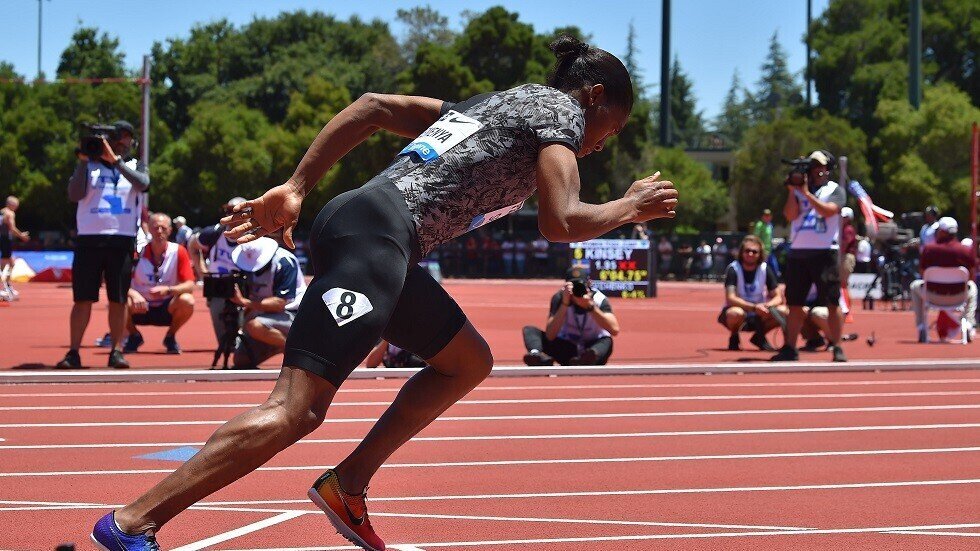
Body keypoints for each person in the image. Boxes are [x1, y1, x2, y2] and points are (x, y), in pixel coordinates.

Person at [91, 35, 679, 551]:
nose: (602, 144)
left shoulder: (496, 106)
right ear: (595, 96)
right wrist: (630, 207)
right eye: (613, 130)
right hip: (377, 238)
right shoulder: (562, 115)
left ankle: (348, 482)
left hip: (374, 235)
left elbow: (373, 107)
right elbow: (562, 221)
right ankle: (133, 520)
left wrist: (299, 186)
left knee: (467, 361)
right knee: (295, 410)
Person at [57, 120, 149, 369]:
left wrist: (116, 161)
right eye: (122, 139)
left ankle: (117, 350)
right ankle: (73, 351)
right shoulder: (89, 165)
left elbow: (143, 184)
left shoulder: (133, 165)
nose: (125, 144)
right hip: (89, 238)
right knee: (82, 298)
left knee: (118, 299)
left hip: (121, 239)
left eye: (128, 139)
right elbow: (74, 194)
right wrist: (83, 160)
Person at [771, 150, 847, 363]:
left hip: (824, 251)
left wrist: (805, 193)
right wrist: (792, 191)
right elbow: (790, 215)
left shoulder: (835, 190)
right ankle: (790, 347)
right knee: (794, 303)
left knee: (832, 302)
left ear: (827, 169)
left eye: (818, 166)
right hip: (798, 252)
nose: (814, 170)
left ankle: (838, 346)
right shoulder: (798, 190)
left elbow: (828, 211)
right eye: (811, 167)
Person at [226, 236, 307, 368]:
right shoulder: (245, 266)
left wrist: (245, 302)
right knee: (241, 360)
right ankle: (277, 344)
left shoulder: (284, 261)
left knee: (255, 325)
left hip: (292, 315)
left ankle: (300, 353)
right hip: (264, 316)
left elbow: (280, 303)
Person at [124, 213, 196, 354]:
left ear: (170, 230)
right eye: (155, 228)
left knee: (188, 300)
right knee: (119, 302)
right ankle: (134, 335)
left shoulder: (178, 251)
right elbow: (120, 282)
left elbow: (189, 285)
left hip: (166, 306)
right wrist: (134, 294)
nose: (159, 231)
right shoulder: (137, 252)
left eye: (163, 228)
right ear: (149, 230)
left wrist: (169, 290)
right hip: (140, 305)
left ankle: (170, 336)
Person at [522, 267, 619, 366]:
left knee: (607, 341)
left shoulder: (599, 299)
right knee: (530, 330)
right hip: (567, 347)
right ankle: (537, 356)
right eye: (574, 286)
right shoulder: (560, 298)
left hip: (592, 345)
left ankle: (588, 358)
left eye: (581, 285)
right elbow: (550, 335)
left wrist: (591, 307)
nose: (577, 290)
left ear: (589, 284)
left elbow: (614, 329)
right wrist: (564, 304)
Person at [187, 197, 248, 342]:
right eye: (228, 210)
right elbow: (192, 245)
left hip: (244, 283)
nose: (231, 215)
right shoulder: (214, 232)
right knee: (218, 312)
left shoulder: (254, 236)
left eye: (237, 211)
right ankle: (225, 342)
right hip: (218, 282)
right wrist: (202, 272)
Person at [911, 217, 976, 342]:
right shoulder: (966, 251)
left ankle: (921, 326)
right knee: (973, 287)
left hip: (932, 296)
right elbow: (971, 275)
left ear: (941, 232)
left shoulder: (929, 250)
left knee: (914, 286)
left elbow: (923, 273)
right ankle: (968, 323)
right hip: (959, 296)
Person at [719, 235, 786, 351]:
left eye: (754, 252)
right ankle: (734, 336)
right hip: (741, 309)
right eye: (747, 251)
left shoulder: (765, 269)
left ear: (760, 254)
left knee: (783, 311)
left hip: (760, 311)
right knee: (735, 314)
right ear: (741, 252)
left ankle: (759, 337)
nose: (750, 254)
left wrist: (767, 306)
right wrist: (754, 308)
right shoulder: (733, 269)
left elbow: (778, 296)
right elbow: (730, 298)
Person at [0, 196, 30, 300]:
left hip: (2, 239)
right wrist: (22, 235)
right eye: (16, 206)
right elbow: (12, 228)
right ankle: (4, 287)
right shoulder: (10, 213)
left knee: (10, 262)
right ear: (12, 205)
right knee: (6, 264)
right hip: (5, 239)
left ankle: (7, 285)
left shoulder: (2, 212)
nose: (16, 208)